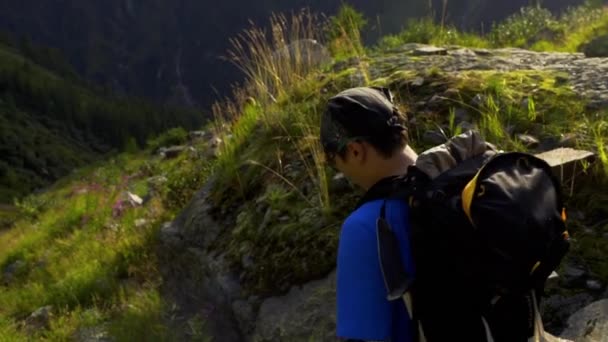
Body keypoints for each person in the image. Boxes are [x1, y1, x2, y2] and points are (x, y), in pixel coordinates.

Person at [320, 86, 419, 342]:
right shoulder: (463, 187)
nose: (342, 173)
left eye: (334, 161)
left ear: (355, 150)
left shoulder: (365, 226)